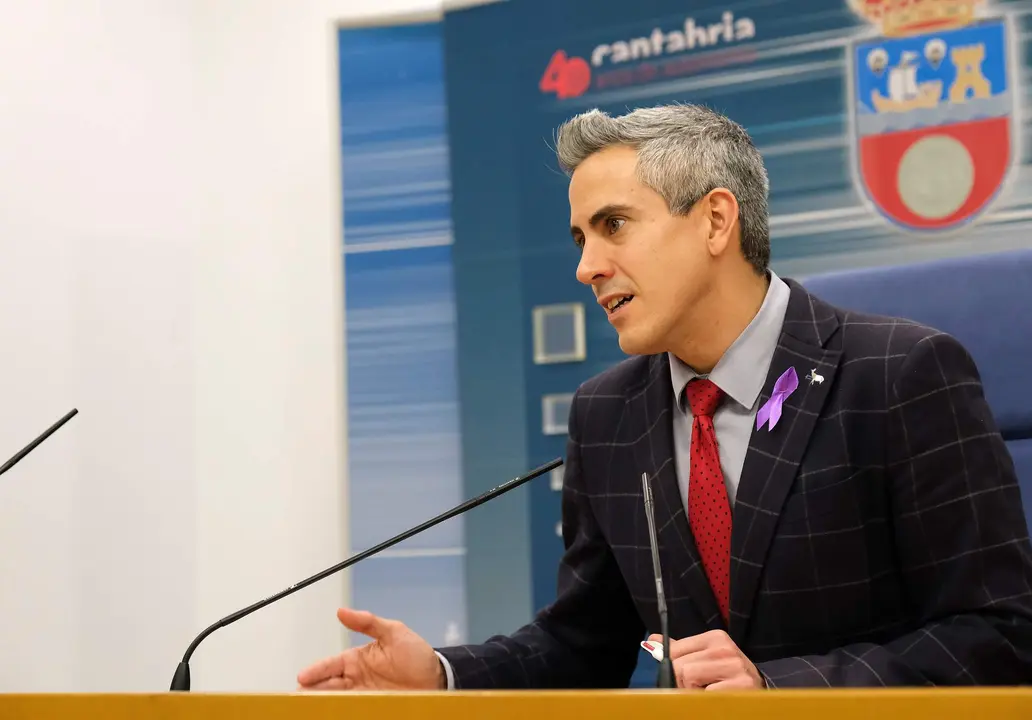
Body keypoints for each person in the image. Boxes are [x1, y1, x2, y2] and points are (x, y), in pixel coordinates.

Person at [297, 104, 1032, 691]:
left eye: (614, 225)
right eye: (580, 237)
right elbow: (582, 645)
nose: (587, 266)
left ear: (716, 220)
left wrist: (782, 689)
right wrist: (445, 674)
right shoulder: (607, 415)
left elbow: (1000, 633)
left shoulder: (900, 374)